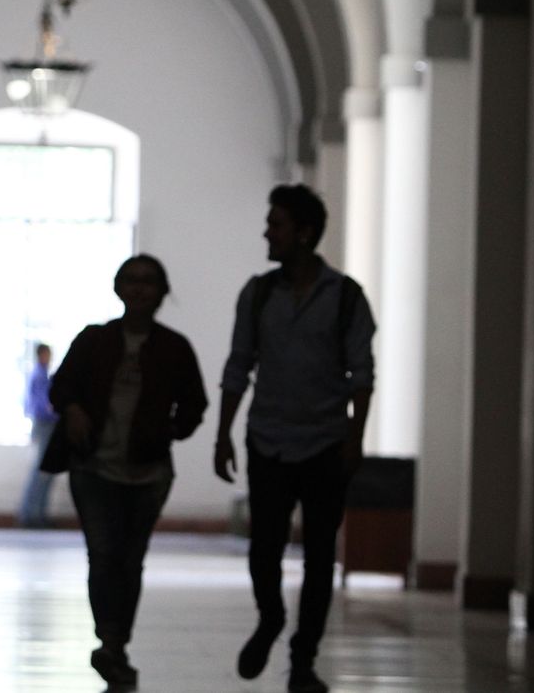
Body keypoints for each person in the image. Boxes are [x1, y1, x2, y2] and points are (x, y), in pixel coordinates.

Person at [214, 184, 375, 693]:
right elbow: (239, 365)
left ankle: (303, 659)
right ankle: (270, 618)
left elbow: (362, 375)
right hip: (268, 440)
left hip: (326, 443)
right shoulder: (258, 293)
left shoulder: (346, 297)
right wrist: (223, 433)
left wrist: (355, 438)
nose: (267, 232)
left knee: (320, 555)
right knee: (264, 547)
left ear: (304, 233)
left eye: (276, 224)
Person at [41, 255, 208, 689]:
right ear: (117, 288)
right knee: (102, 554)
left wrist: (165, 431)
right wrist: (75, 409)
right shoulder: (95, 340)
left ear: (161, 291)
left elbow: (195, 406)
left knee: (130, 560)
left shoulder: (174, 348)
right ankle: (109, 639)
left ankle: (115, 646)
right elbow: (61, 387)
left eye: (148, 282)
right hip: (93, 467)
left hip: (148, 473)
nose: (138, 289)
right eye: (130, 281)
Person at [16, 342, 58, 527]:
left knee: (45, 471)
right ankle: (30, 515)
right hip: (44, 425)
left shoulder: (43, 375)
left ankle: (36, 513)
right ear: (42, 354)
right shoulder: (39, 376)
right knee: (41, 471)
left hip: (46, 426)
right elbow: (44, 406)